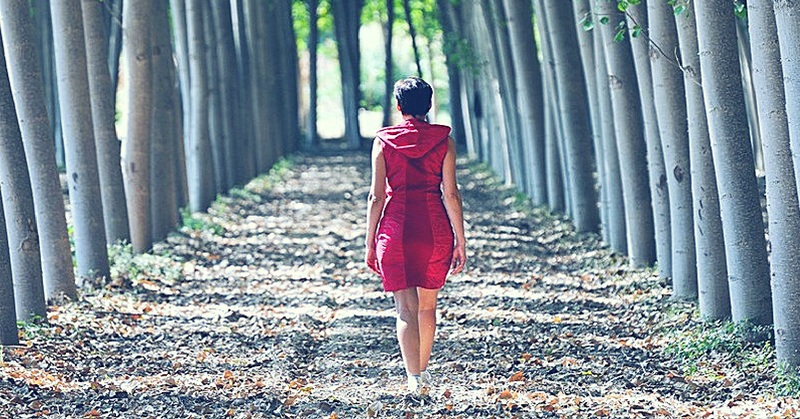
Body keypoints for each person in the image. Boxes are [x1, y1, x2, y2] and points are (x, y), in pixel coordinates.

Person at [364, 77, 467, 394]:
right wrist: (460, 240)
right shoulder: (444, 140)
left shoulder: (383, 141)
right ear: (429, 106)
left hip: (395, 229)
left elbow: (376, 197)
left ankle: (414, 379)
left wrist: (370, 242)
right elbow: (451, 194)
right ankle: (422, 373)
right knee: (427, 308)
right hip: (434, 228)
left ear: (398, 106)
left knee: (405, 309)